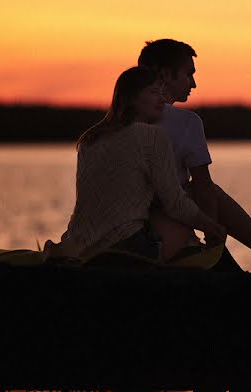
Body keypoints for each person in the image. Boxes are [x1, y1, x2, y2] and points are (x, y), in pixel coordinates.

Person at [137, 39, 251, 275]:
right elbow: (203, 190)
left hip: (126, 227)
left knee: (195, 192)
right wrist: (213, 242)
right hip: (159, 232)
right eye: (187, 74)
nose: (193, 83)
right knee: (206, 190)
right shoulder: (187, 123)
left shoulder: (116, 121)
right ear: (164, 74)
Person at [46, 67, 226, 263]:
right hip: (125, 248)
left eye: (163, 93)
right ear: (131, 98)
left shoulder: (90, 139)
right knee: (184, 220)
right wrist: (214, 228)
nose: (162, 99)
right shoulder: (151, 136)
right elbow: (176, 205)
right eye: (154, 92)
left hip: (78, 244)